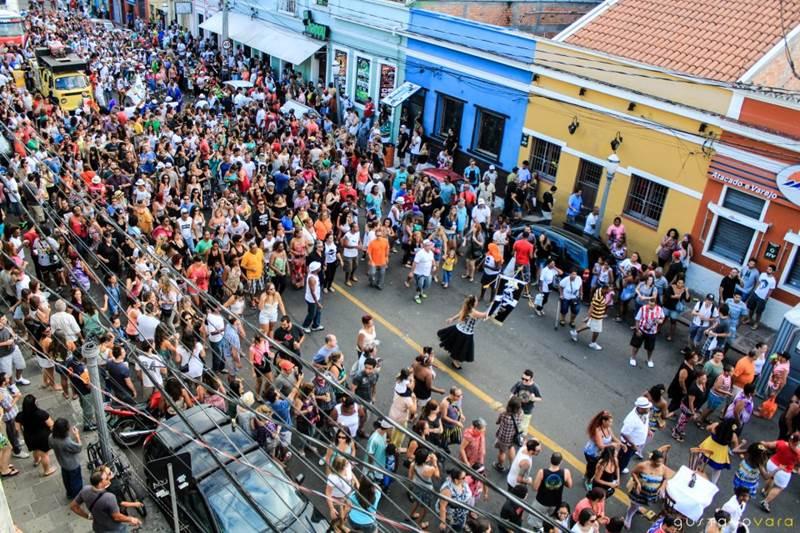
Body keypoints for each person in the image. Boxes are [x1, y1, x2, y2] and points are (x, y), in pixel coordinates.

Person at [70, 469, 142, 530]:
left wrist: (88, 516)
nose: (109, 479)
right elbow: (117, 517)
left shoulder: (85, 490)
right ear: (100, 483)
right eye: (106, 479)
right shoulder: (109, 497)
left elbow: (73, 506)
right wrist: (131, 519)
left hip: (97, 527)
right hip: (113, 528)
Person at [437, 295, 488, 369]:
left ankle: (455, 358)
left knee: (457, 344)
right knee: (461, 348)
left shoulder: (466, 307)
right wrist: (495, 304)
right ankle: (455, 361)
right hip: (466, 333)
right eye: (476, 301)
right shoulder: (474, 312)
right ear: (473, 303)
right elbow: (485, 315)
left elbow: (460, 313)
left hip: (459, 329)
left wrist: (452, 319)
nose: (477, 302)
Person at [623, 450, 668, 529]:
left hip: (651, 493)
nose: (659, 464)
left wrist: (662, 487)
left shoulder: (663, 467)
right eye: (657, 462)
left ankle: (636, 509)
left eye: (661, 462)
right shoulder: (642, 465)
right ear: (652, 460)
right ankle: (628, 516)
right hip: (640, 491)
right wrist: (638, 483)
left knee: (638, 505)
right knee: (634, 505)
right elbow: (633, 473)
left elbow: (665, 478)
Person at [15, 394, 56, 476]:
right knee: (44, 454)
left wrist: (23, 434)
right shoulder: (41, 413)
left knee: (35, 450)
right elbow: (51, 424)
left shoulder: (20, 415)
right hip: (42, 437)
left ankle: (36, 461)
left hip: (29, 437)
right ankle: (47, 470)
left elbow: (17, 429)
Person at [759, 433, 800, 513]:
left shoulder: (781, 443)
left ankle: (765, 490)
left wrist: (762, 443)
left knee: (771, 476)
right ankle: (766, 501)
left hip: (771, 464)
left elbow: (768, 444)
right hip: (784, 471)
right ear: (797, 442)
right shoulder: (798, 453)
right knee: (779, 487)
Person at [531, 452, 572, 527]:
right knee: (550, 520)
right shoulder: (566, 472)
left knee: (536, 519)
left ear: (550, 460)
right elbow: (569, 485)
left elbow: (534, 488)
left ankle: (537, 529)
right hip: (555, 503)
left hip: (541, 502)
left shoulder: (542, 472)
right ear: (561, 462)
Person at [49, 418, 83, 499]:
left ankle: (69, 493)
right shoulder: (66, 442)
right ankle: (77, 496)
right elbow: (78, 448)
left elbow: (50, 446)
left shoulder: (51, 437)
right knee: (76, 481)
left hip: (62, 463)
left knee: (66, 480)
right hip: (73, 464)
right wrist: (77, 436)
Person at [618, 397, 652, 474]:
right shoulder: (631, 419)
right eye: (646, 408)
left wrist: (648, 430)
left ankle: (621, 466)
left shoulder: (645, 412)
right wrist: (632, 445)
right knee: (624, 458)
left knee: (627, 457)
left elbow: (646, 421)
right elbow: (624, 433)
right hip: (629, 445)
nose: (648, 409)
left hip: (637, 443)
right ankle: (618, 471)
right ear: (640, 408)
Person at [409, 447, 440, 530]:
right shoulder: (429, 469)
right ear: (425, 459)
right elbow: (437, 476)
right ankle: (419, 524)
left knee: (416, 501)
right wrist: (435, 462)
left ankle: (411, 514)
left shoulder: (413, 464)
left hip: (417, 486)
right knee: (425, 508)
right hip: (427, 490)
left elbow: (410, 477)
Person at [629, 298, 665, 368]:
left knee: (650, 348)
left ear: (655, 305)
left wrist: (660, 321)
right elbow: (637, 319)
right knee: (636, 345)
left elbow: (662, 318)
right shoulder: (643, 308)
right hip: (642, 330)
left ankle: (649, 360)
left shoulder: (659, 309)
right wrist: (637, 330)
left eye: (652, 305)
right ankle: (633, 358)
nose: (650, 306)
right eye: (649, 304)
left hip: (652, 332)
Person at [572, 285, 611, 350]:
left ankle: (575, 332)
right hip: (596, 316)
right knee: (597, 331)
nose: (609, 292)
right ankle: (593, 343)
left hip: (597, 315)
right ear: (604, 289)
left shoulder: (600, 290)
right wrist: (588, 317)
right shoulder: (598, 297)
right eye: (608, 290)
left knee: (589, 325)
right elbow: (592, 307)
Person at [493, 397, 525, 473]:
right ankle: (512, 466)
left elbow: (497, 422)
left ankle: (500, 466)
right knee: (511, 448)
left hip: (504, 437)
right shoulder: (521, 413)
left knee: (502, 452)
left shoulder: (504, 414)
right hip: (513, 436)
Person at [438, 467, 473, 531]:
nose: (466, 478)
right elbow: (442, 507)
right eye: (463, 478)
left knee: (458, 528)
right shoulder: (447, 490)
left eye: (466, 475)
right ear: (456, 480)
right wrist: (443, 522)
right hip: (452, 516)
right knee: (452, 529)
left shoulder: (463, 482)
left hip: (462, 513)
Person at [747, 264, 776, 330]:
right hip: (755, 294)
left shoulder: (773, 280)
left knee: (758, 312)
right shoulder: (763, 274)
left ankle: (756, 323)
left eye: (770, 269)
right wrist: (754, 291)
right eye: (768, 269)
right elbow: (758, 283)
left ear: (773, 271)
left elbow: (770, 291)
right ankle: (749, 319)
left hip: (762, 298)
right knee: (751, 308)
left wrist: (766, 299)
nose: (768, 270)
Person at [301, 261, 324, 333]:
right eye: (319, 267)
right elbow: (312, 292)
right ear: (316, 269)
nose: (320, 267)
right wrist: (317, 303)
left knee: (318, 312)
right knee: (312, 314)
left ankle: (316, 325)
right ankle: (305, 326)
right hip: (312, 300)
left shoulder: (314, 274)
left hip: (316, 297)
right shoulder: (312, 279)